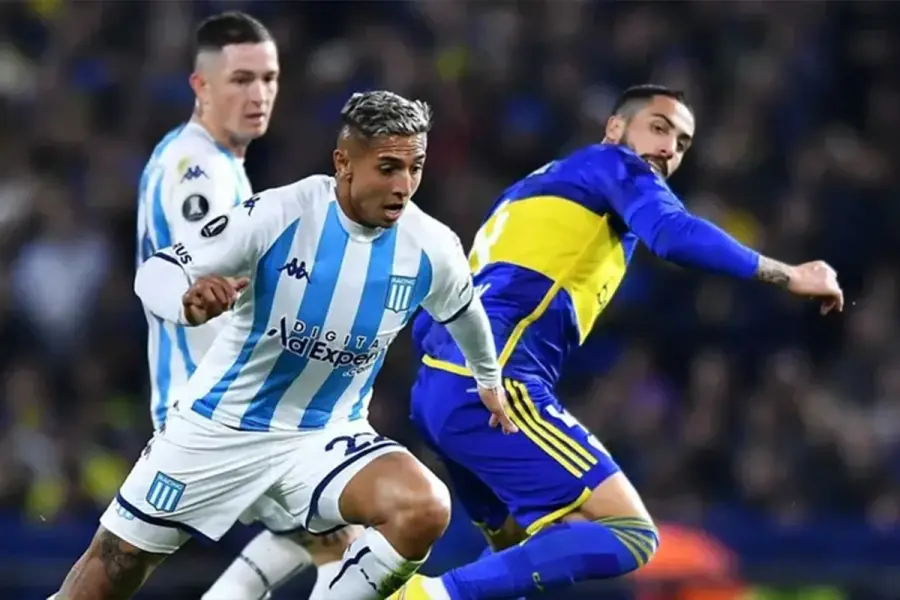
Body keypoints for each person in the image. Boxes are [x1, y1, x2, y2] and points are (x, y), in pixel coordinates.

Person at [51, 89, 514, 600]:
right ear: (343, 162)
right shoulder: (280, 213)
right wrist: (184, 302)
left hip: (325, 434)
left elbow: (465, 312)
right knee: (114, 566)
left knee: (424, 506)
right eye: (388, 168)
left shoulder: (431, 246)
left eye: (415, 168)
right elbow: (158, 271)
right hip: (220, 426)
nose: (403, 185)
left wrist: (488, 379)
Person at [391, 84, 844, 600]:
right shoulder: (614, 164)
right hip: (494, 383)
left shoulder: (529, 191)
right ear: (615, 128)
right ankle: (424, 597)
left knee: (520, 551)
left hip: (438, 387)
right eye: (659, 127)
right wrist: (788, 274)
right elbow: (671, 233)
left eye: (682, 142)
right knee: (629, 534)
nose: (668, 148)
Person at [122, 10, 354, 600]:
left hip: (223, 402)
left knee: (328, 536)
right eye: (241, 80)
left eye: (268, 79)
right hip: (221, 409)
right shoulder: (197, 169)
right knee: (349, 537)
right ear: (201, 86)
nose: (259, 95)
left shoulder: (216, 164)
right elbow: (201, 278)